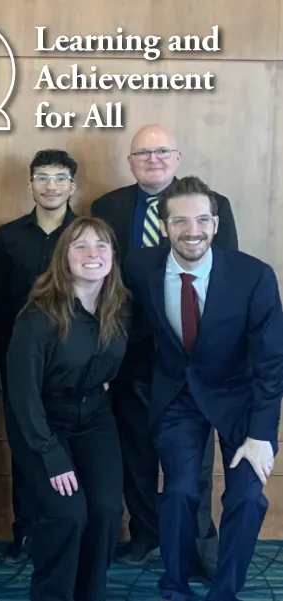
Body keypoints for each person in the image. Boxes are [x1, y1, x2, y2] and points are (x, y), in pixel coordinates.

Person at [122, 176, 283, 601]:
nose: (191, 230)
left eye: (201, 220)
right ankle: (173, 585)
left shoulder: (254, 276)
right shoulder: (139, 267)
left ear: (215, 224)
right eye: (180, 221)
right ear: (165, 226)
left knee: (248, 499)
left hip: (240, 401)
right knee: (177, 492)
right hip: (177, 396)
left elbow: (270, 362)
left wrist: (262, 434)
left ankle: (224, 593)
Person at [90, 124, 238, 575]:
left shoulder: (212, 206)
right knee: (135, 453)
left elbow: (225, 277)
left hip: (192, 358)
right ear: (131, 161)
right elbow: (103, 283)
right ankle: (145, 535)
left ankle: (196, 542)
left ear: (177, 158)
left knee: (191, 460)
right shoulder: (108, 206)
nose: (152, 159)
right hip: (133, 356)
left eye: (161, 151)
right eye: (142, 153)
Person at [5, 217, 129, 601]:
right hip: (42, 422)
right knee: (68, 514)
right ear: (64, 257)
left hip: (95, 418)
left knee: (107, 511)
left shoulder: (121, 307)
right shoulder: (38, 316)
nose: (92, 254)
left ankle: (90, 594)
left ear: (112, 256)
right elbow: (22, 395)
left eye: (101, 246)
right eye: (80, 246)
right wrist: (51, 455)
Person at [0, 149, 79, 564]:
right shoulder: (8, 235)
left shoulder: (88, 234)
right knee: (25, 448)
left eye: (60, 178)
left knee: (69, 448)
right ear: (30, 184)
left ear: (72, 186)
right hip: (20, 362)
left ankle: (66, 531)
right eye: (42, 177)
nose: (51, 185)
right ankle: (24, 532)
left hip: (73, 362)